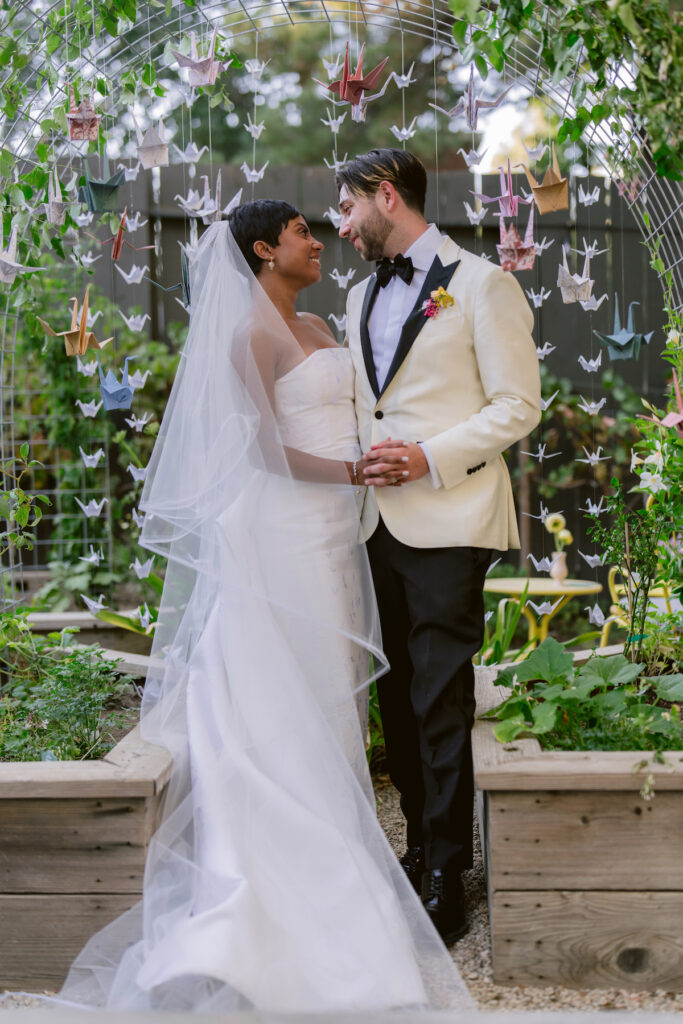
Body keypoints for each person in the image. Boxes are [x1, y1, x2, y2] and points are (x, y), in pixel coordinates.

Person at [31, 202, 472, 1014]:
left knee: (331, 706)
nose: (319, 241)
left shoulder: (321, 326)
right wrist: (351, 477)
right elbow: (263, 449)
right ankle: (272, 898)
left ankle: (334, 869)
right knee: (283, 700)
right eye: (305, 233)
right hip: (277, 533)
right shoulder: (251, 337)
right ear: (265, 251)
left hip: (336, 537)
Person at [337, 149, 542, 943]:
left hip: (449, 519)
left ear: (387, 196)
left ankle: (446, 875)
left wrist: (427, 455)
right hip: (373, 523)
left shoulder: (483, 284)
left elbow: (516, 404)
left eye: (348, 207)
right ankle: (419, 846)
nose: (342, 224)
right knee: (395, 700)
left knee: (439, 696)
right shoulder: (357, 292)